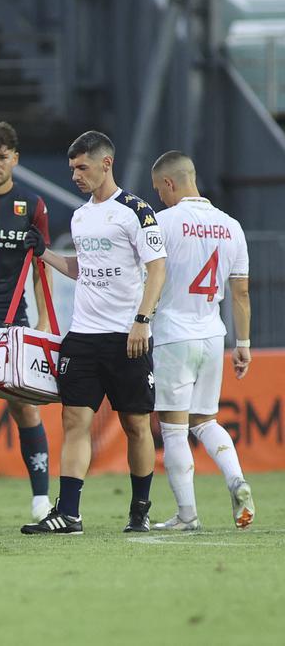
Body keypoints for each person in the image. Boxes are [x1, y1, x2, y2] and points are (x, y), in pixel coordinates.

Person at [21, 130, 166, 535]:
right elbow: (81, 268)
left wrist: (142, 320)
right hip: (82, 335)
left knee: (136, 425)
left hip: (126, 335)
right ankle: (69, 512)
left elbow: (157, 268)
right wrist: (44, 254)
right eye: (71, 169)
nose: (75, 176)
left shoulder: (136, 211)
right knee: (73, 420)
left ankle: (140, 509)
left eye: (82, 167)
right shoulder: (82, 216)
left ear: (106, 163)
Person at [149, 151, 254, 530]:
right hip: (213, 335)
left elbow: (149, 277)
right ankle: (236, 480)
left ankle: (187, 515)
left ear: (170, 183)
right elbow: (240, 292)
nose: (159, 196)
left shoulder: (163, 222)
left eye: (159, 188)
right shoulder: (231, 226)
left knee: (174, 428)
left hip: (174, 335)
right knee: (206, 420)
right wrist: (243, 342)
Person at [0, 121, 53, 521]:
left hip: (13, 322)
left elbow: (42, 266)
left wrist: (42, 321)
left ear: (15, 159)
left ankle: (41, 499)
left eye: (2, 157)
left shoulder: (32, 205)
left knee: (25, 408)